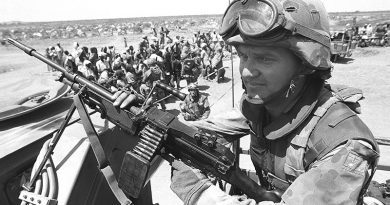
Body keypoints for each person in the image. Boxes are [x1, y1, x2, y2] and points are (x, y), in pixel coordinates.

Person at [113, 0, 380, 204]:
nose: (247, 71)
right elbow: (201, 127)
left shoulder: (345, 147)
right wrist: (143, 112)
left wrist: (197, 191)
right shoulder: (264, 105)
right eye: (243, 55)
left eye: (265, 59)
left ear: (306, 64)